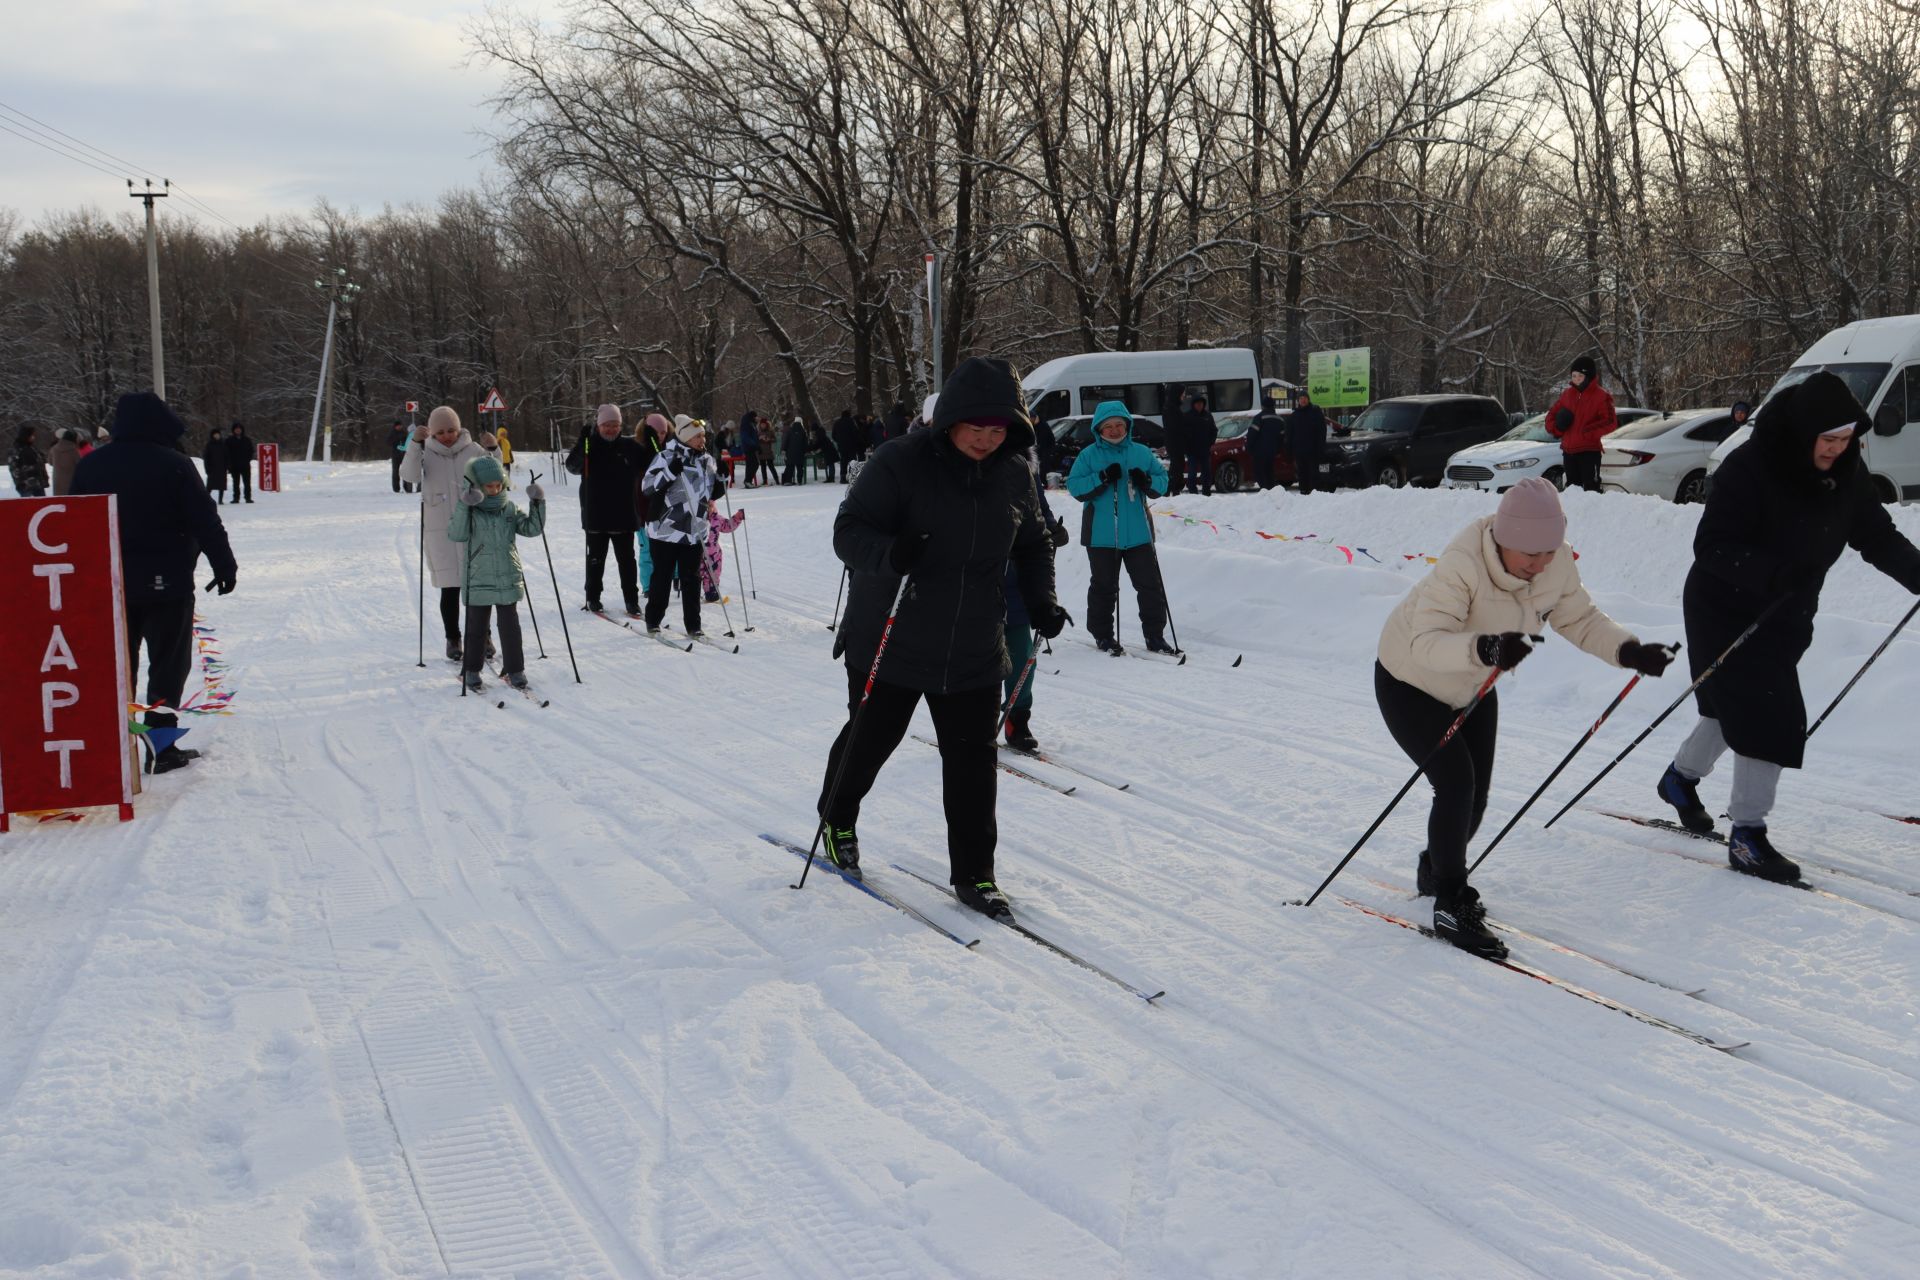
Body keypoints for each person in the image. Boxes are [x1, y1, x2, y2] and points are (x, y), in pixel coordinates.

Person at [1375, 477, 1672, 957]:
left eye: (1548, 554)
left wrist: (1630, 652)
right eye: (1528, 556)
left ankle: (1436, 867)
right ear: (1500, 538)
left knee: (1476, 798)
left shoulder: (1556, 565)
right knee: (1455, 784)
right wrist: (1488, 646)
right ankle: (1451, 900)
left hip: (1474, 682)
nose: (1538, 566)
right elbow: (1424, 643)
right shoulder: (1463, 564)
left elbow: (1579, 618)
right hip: (1409, 681)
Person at [814, 356, 1068, 914]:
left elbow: (1034, 543)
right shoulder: (898, 462)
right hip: (892, 632)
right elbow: (847, 531)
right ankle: (836, 819)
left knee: (974, 760)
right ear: (949, 419)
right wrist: (891, 554)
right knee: (871, 740)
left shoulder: (1013, 473)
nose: (984, 439)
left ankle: (976, 873)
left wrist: (1042, 601)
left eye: (997, 429)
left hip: (975, 641)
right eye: (975, 427)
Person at [1656, 371, 1920, 881]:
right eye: (1829, 440)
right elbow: (1712, 546)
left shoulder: (1846, 472)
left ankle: (1679, 780)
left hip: (1789, 609)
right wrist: (1774, 573)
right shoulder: (1749, 467)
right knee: (1770, 714)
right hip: (1725, 608)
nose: (1838, 450)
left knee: (1727, 708)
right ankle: (1748, 837)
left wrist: (1916, 573)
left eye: (1847, 441)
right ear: (1804, 432)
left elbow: (1877, 535)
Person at [72, 393, 238, 775]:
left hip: (108, 586)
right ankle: (161, 747)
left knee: (116, 667)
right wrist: (224, 565)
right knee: (167, 665)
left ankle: (114, 747)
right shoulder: (175, 465)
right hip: (168, 585)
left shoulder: (91, 466)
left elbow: (71, 522)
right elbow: (204, 520)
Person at [1066, 401, 1176, 656]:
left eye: (1119, 425)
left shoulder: (1141, 452)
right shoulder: (1089, 455)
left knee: (1149, 585)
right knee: (1104, 586)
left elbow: (1162, 481)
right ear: (1099, 429)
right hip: (1101, 535)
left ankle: (1155, 636)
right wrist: (1102, 478)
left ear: (1127, 425)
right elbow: (1075, 487)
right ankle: (1103, 635)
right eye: (1108, 426)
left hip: (1138, 533)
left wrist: (1147, 480)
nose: (1114, 430)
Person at [401, 406, 502, 660]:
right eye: (441, 431)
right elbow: (409, 476)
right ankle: (453, 639)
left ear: (459, 429)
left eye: (451, 430)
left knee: (477, 588)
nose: (447, 435)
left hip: (473, 527)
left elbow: (497, 476)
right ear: (432, 433)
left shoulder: (474, 450)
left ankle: (483, 635)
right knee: (450, 588)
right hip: (441, 531)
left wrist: (493, 450)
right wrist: (414, 444)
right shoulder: (426, 452)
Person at [448, 456, 546, 692]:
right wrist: (464, 503)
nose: (494, 490)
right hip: (478, 576)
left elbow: (532, 529)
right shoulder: (470, 510)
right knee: (476, 628)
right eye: (488, 486)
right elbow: (457, 534)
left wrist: (537, 503)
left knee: (510, 627)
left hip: (507, 574)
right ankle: (471, 670)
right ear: (476, 485)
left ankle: (515, 669)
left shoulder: (509, 508)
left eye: (497, 485)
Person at [1003, 447, 1073, 750]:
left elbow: (1037, 512)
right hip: (967, 582)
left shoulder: (1021, 471)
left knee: (1020, 654)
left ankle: (1017, 719)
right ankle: (968, 719)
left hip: (1014, 577)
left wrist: (1051, 529)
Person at [565, 403, 648, 615]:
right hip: (596, 515)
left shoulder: (630, 447)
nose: (611, 429)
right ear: (599, 426)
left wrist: (653, 442)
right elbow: (572, 467)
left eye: (615, 425)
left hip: (624, 515)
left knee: (627, 561)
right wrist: (581, 442)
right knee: (595, 560)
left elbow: (652, 463)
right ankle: (593, 597)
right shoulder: (589, 445)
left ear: (620, 426)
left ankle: (631, 600)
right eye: (606, 425)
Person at [641, 416, 718, 635]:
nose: (701, 440)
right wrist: (669, 472)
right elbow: (647, 488)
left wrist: (719, 485)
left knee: (692, 579)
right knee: (662, 577)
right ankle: (653, 620)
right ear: (685, 437)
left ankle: (694, 626)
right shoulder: (665, 456)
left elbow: (710, 491)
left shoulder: (707, 460)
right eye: (696, 437)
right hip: (666, 530)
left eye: (703, 436)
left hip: (695, 530)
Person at [1545, 355, 1616, 492]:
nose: (1576, 380)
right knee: (1572, 490)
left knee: (1591, 489)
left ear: (1589, 376)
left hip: (1589, 451)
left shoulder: (1601, 396)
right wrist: (1558, 428)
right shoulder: (1567, 394)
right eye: (1574, 376)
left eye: (1580, 376)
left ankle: (1593, 513)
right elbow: (1551, 415)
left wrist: (1587, 432)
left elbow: (1610, 421)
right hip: (1568, 452)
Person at [1287, 388, 1329, 495]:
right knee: (1302, 473)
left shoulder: (1315, 412)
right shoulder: (1294, 416)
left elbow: (1322, 431)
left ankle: (1315, 493)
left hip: (1313, 450)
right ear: (1298, 401)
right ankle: (1303, 492)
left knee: (1314, 474)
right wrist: (1290, 449)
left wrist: (1321, 447)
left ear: (1308, 399)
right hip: (1299, 451)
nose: (1303, 400)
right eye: (1300, 398)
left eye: (1304, 398)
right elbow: (1290, 434)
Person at [702, 499, 745, 602]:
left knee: (714, 573)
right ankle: (690, 591)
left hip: (713, 552)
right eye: (707, 507)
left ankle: (711, 592)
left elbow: (727, 526)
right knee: (697, 571)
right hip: (697, 550)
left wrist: (738, 517)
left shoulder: (716, 519)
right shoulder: (695, 519)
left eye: (710, 506)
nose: (709, 509)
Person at [1247, 392, 1288, 490]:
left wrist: (1250, 448)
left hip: (1259, 452)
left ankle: (1265, 492)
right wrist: (1277, 451)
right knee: (1269, 473)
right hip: (1272, 452)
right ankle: (1271, 491)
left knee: (1260, 474)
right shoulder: (1280, 420)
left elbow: (1252, 434)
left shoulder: (1259, 418)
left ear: (1263, 406)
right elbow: (1282, 438)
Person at [1161, 381, 1187, 496]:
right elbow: (1176, 427)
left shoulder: (1172, 407)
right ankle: (1170, 490)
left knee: (1177, 466)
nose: (1184, 396)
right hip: (1175, 444)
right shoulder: (1171, 408)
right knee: (1177, 467)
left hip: (1175, 443)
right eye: (1183, 393)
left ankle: (1173, 489)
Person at [11, 425, 49, 496]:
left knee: (41, 505)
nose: (33, 437)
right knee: (31, 505)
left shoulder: (31, 447)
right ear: (26, 436)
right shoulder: (18, 449)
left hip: (37, 484)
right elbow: (15, 468)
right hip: (27, 486)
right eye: (32, 435)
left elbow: (40, 459)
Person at [832, 408, 864, 479]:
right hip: (851, 445)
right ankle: (852, 476)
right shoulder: (851, 422)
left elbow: (833, 435)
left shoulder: (837, 423)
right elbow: (856, 433)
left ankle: (843, 477)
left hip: (841, 446)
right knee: (852, 461)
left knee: (843, 461)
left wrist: (839, 441)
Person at [49, 428, 81, 496]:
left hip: (57, 479)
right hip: (71, 480)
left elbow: (50, 462)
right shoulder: (74, 450)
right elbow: (80, 464)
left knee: (60, 502)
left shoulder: (54, 448)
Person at [200, 427, 228, 504]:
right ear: (212, 435)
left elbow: (227, 456)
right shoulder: (209, 445)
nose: (217, 436)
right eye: (215, 434)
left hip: (222, 467)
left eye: (218, 434)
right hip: (212, 468)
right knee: (210, 486)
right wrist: (207, 468)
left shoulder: (223, 444)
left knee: (221, 485)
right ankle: (205, 499)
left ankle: (220, 500)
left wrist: (227, 466)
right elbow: (206, 457)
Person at [227, 422, 253, 503]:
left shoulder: (246, 440)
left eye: (239, 429)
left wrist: (247, 459)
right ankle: (236, 498)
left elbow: (251, 451)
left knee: (247, 483)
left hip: (245, 464)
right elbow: (227, 453)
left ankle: (248, 497)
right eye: (236, 429)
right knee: (235, 483)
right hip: (234, 465)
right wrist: (229, 463)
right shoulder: (229, 440)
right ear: (233, 430)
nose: (238, 430)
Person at [387, 419, 414, 493]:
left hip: (404, 454)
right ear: (395, 426)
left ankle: (407, 488)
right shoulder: (392, 433)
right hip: (395, 455)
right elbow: (388, 442)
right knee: (395, 472)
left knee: (406, 471)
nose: (399, 427)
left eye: (400, 426)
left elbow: (409, 441)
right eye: (398, 426)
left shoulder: (404, 432)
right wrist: (396, 439)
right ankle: (396, 488)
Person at [782, 415, 810, 485]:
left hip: (790, 453)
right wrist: (806, 451)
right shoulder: (803, 431)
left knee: (790, 467)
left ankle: (788, 481)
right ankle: (799, 480)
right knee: (800, 467)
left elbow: (786, 441)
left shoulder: (790, 431)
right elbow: (805, 443)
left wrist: (784, 450)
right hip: (800, 453)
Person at [737, 411, 761, 486]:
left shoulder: (751, 424)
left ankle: (748, 481)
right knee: (753, 464)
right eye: (755, 417)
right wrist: (754, 444)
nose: (756, 418)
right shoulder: (746, 425)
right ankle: (747, 480)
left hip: (751, 447)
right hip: (748, 448)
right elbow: (745, 437)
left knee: (752, 464)